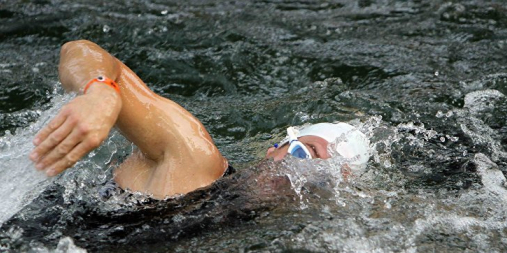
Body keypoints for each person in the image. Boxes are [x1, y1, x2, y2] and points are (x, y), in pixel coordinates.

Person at [30, 40, 368, 199]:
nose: (299, 175)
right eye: (303, 153)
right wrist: (101, 92)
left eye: (321, 181)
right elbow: (80, 50)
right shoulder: (192, 156)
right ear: (275, 148)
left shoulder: (257, 238)